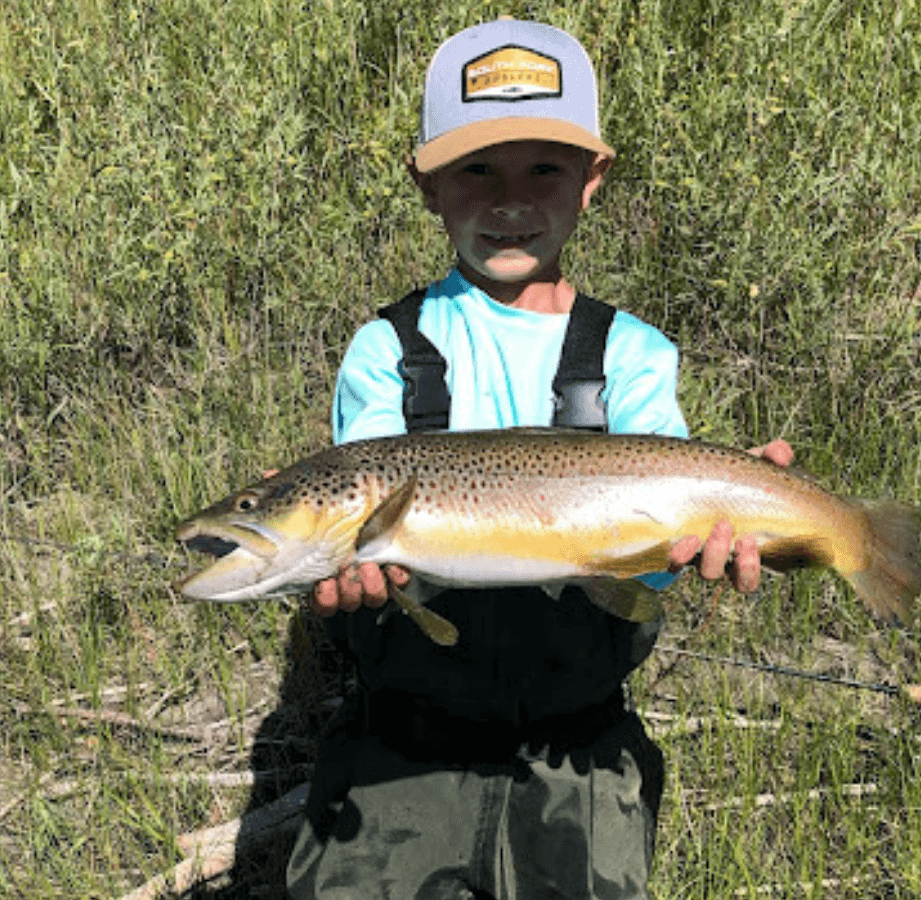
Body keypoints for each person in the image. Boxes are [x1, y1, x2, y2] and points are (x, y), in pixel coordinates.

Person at [284, 18, 791, 900]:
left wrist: (710, 539)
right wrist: (344, 567)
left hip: (579, 749)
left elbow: (654, 565)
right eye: (476, 169)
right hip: (399, 745)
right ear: (427, 185)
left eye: (542, 169)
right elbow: (347, 506)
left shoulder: (633, 354)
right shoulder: (384, 349)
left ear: (592, 181)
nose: (509, 198)